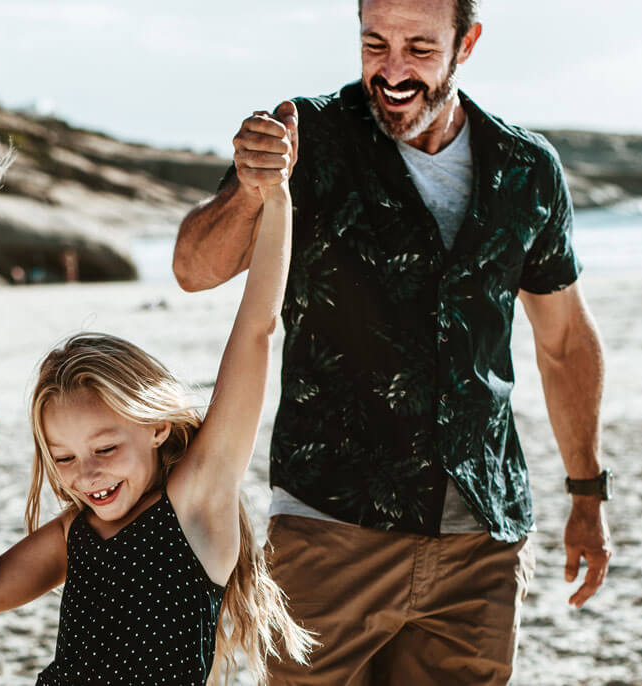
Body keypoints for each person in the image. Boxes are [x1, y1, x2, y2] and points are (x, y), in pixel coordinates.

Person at [171, 0, 612, 683]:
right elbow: (194, 269)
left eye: (419, 47)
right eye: (375, 43)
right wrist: (252, 192)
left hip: (480, 538)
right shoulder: (305, 136)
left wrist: (587, 493)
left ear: (467, 43)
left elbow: (563, 343)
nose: (394, 69)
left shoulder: (526, 169)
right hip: (330, 523)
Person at [0, 117, 314, 685]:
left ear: (156, 426)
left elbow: (256, 331)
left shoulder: (195, 502)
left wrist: (277, 198)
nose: (86, 474)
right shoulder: (78, 531)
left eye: (105, 447)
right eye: (63, 458)